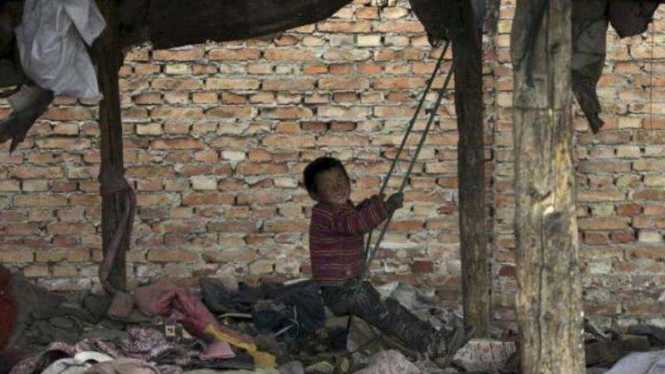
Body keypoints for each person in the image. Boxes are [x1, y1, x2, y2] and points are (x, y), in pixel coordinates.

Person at [303, 156, 470, 360]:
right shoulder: (326, 214)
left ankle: (434, 339)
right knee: (387, 314)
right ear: (314, 194)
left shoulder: (340, 209)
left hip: (350, 287)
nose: (338, 187)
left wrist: (371, 204)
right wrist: (386, 207)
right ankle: (434, 345)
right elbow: (355, 224)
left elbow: (355, 217)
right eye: (328, 184)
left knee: (391, 310)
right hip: (342, 291)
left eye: (341, 179)